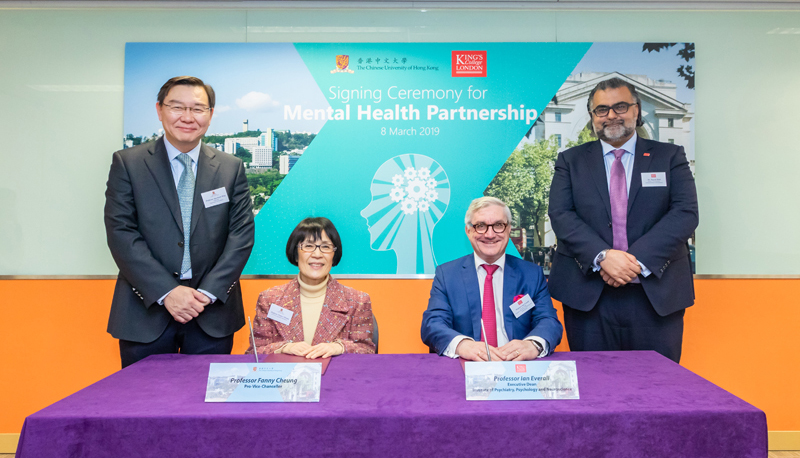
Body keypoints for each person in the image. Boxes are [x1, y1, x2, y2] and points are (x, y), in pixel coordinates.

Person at [105, 76, 255, 368]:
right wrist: (167, 292)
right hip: (145, 309)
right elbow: (121, 232)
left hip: (210, 312)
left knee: (206, 407)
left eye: (198, 109)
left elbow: (241, 235)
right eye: (177, 107)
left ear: (210, 115)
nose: (187, 117)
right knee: (143, 403)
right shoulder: (128, 163)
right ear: (160, 110)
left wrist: (207, 293)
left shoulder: (230, 168)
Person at [547, 77, 699, 363]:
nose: (611, 115)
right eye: (601, 110)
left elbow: (685, 213)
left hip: (656, 294)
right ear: (592, 117)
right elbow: (561, 215)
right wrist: (603, 256)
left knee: (656, 387)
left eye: (620, 106)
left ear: (636, 110)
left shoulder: (669, 156)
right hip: (589, 297)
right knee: (594, 387)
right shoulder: (570, 161)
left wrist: (632, 263)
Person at [421, 197, 563, 362]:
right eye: (480, 226)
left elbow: (549, 321)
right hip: (467, 367)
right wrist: (463, 345)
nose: (490, 234)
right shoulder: (447, 274)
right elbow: (432, 325)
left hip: (518, 371)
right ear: (469, 231)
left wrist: (533, 344)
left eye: (498, 225)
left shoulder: (532, 274)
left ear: (508, 229)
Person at [247, 217, 375, 358]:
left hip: (337, 378)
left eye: (325, 247)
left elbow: (367, 351)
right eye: (308, 246)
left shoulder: (357, 301)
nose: (317, 254)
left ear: (334, 255)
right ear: (296, 254)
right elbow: (254, 352)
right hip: (286, 379)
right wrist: (284, 347)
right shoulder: (270, 299)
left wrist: (339, 347)